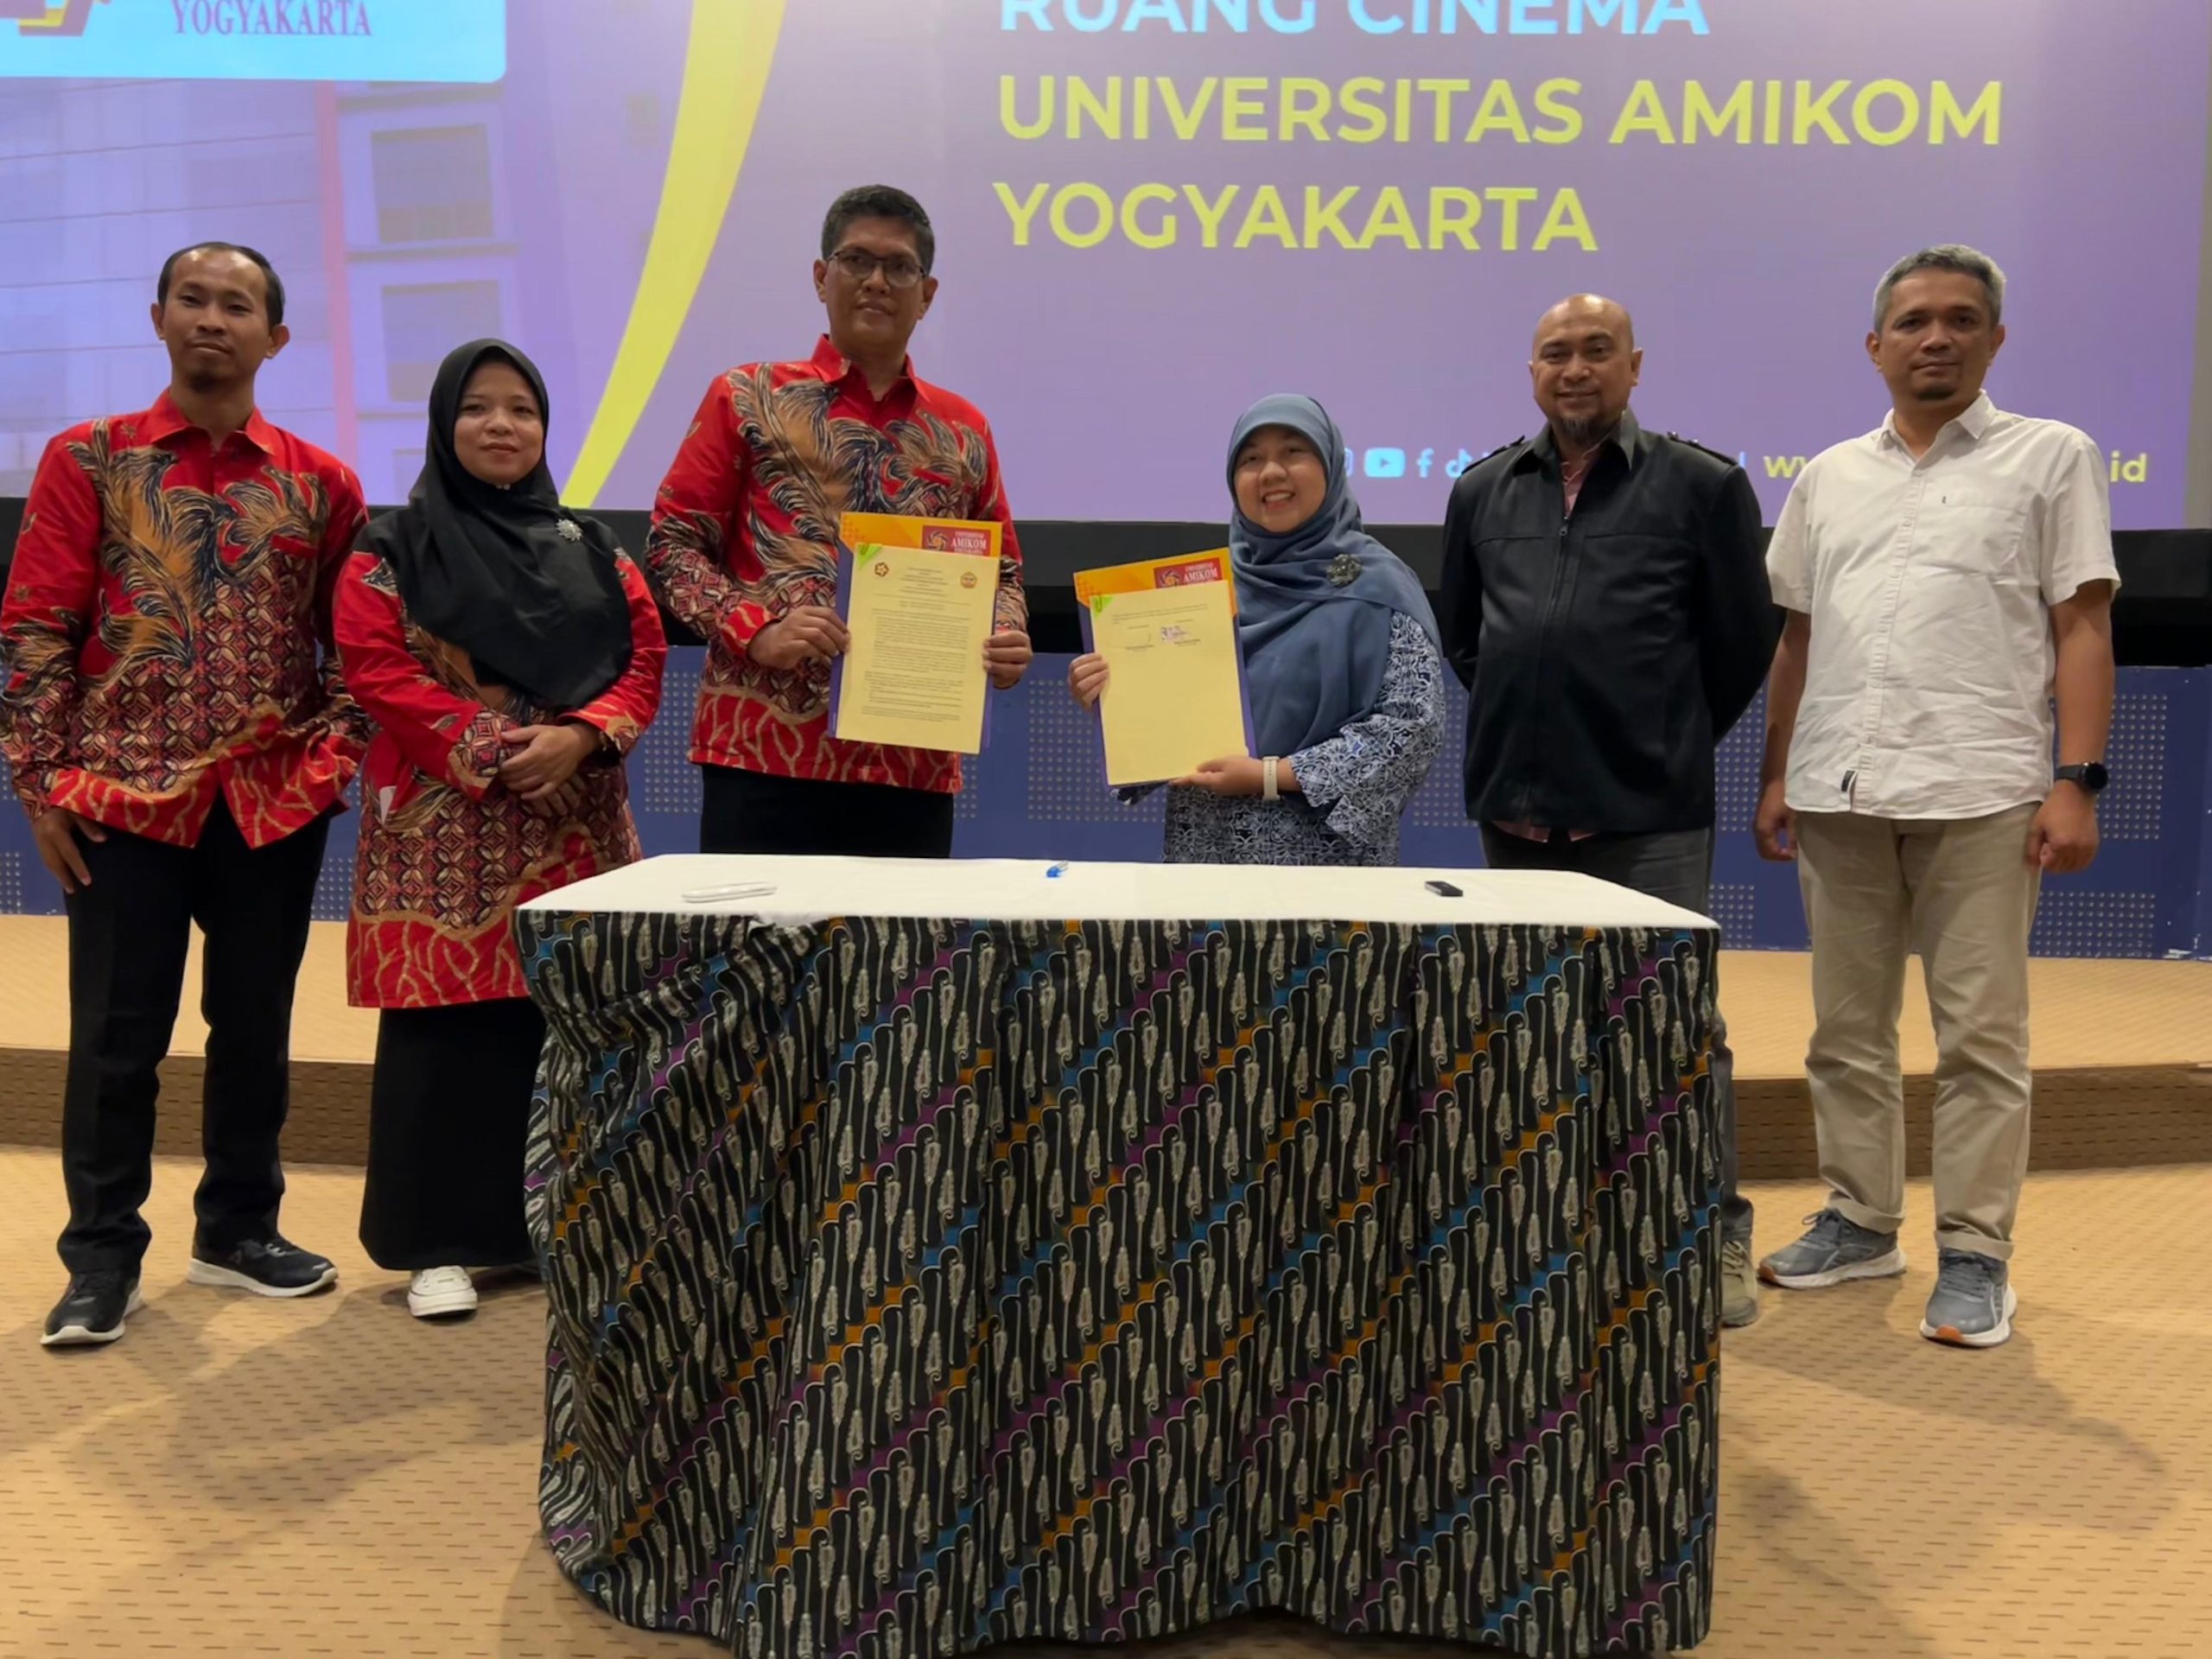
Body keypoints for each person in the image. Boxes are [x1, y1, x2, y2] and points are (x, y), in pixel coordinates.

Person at [3, 244, 366, 1347]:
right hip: (120, 797)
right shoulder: (89, 459)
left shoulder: (321, 482)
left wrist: (334, 758)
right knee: (117, 1038)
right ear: (158, 316)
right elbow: (35, 626)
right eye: (194, 300)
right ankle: (101, 1257)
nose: (214, 319)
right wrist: (40, 783)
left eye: (238, 305)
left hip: (269, 799)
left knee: (254, 1028)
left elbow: (358, 645)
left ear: (276, 337)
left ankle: (239, 1231)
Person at [1755, 245, 2117, 1350]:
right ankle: (1862, 1220)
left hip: (1982, 790)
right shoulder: (1827, 476)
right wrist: (1774, 772)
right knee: (1844, 1033)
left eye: (1961, 320)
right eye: (1913, 322)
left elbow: (2081, 626)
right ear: (1876, 346)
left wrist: (2076, 781)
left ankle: (1974, 1253)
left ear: (1995, 340)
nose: (1936, 338)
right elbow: (1798, 637)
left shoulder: (2051, 457)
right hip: (1839, 789)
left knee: (1980, 1040)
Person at [1438, 294, 1777, 1328]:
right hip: (1517, 813)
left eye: (1596, 350)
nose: (1574, 368)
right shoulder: (1482, 488)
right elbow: (1467, 638)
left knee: (1675, 1030)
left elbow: (1740, 644)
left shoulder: (1703, 485)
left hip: (1647, 814)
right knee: (1530, 1026)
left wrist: (1658, 734)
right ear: (1531, 372)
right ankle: (1550, 1229)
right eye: (1555, 353)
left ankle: (1711, 1229)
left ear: (1634, 365)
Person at [335, 340, 666, 1320]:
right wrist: (498, 751)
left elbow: (644, 657)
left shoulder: (592, 545)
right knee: (445, 1040)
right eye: (477, 408)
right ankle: (435, 1245)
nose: (501, 426)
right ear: (445, 425)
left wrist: (580, 738)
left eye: (521, 409)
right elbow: (375, 666)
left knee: (561, 1029)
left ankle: (546, 1232)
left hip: (574, 828)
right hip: (445, 835)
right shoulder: (392, 547)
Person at [642, 184, 1030, 857]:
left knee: (897, 934)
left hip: (910, 759)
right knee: (754, 932)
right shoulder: (747, 397)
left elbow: (1004, 574)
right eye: (857, 261)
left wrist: (1005, 633)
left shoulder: (964, 429)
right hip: (763, 753)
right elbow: (672, 546)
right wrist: (756, 631)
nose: (877, 281)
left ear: (927, 294)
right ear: (823, 277)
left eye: (899, 267)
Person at [1068, 395, 1444, 866]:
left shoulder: (1379, 589)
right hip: (1205, 862)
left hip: (1328, 871)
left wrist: (1272, 776)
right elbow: (1171, 725)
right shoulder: (1201, 597)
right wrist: (1114, 696)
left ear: (1330, 466)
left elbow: (1411, 730)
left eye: (1293, 452)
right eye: (1251, 459)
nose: (1270, 472)